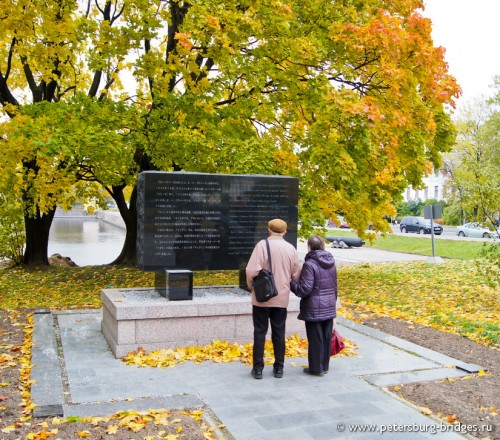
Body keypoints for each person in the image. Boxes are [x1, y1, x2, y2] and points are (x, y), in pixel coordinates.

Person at [246, 219, 301, 379]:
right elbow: (295, 274)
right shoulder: (291, 248)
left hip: (262, 297)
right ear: (284, 232)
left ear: (269, 229)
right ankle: (279, 368)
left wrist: (252, 287)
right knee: (279, 332)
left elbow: (251, 271)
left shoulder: (262, 246)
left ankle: (257, 369)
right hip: (281, 297)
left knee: (259, 332)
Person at [290, 234, 338, 377]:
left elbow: (305, 289)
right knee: (325, 337)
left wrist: (290, 283)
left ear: (309, 247)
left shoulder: (310, 264)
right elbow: (335, 286)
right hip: (329, 305)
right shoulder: (331, 263)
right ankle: (324, 366)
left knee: (315, 338)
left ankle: (316, 369)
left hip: (314, 307)